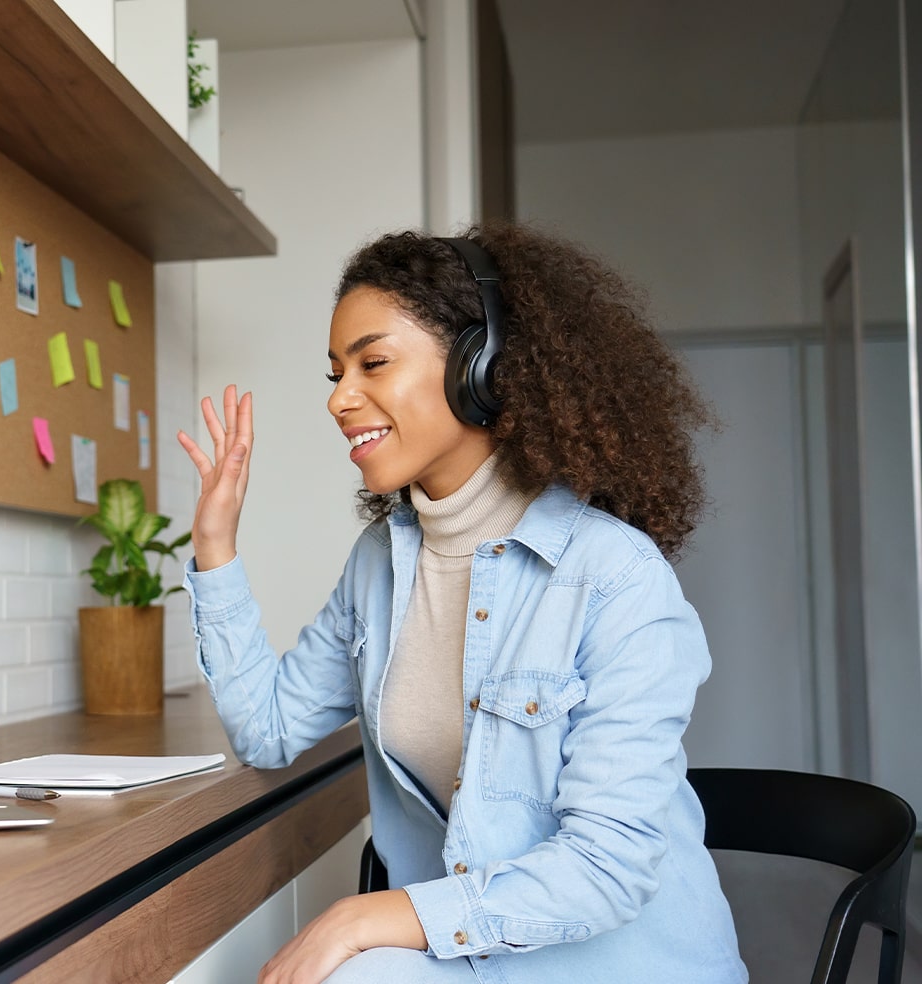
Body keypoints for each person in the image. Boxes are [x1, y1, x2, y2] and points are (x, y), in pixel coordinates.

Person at [175, 223, 746, 983]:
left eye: (372, 362)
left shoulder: (616, 577)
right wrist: (215, 547)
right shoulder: (378, 566)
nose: (341, 400)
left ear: (479, 366)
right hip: (474, 959)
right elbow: (270, 730)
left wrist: (366, 916)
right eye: (335, 374)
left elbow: (607, 868)